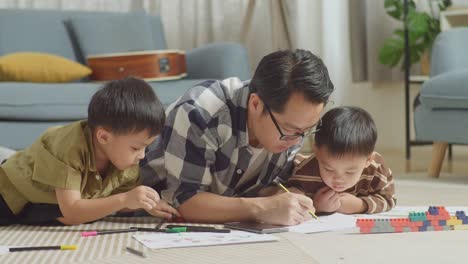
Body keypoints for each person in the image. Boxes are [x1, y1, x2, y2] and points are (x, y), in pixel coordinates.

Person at [140, 49, 334, 225]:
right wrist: (263, 208)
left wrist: (290, 197)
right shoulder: (201, 112)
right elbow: (186, 202)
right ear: (256, 104)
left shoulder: (290, 125)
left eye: (307, 130)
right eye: (290, 130)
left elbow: (266, 187)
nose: (298, 141)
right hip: (146, 210)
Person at [0, 77, 179, 226]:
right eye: (136, 148)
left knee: (81, 216)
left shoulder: (126, 161)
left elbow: (115, 202)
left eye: (146, 147)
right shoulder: (68, 147)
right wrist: (125, 199)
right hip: (9, 191)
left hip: (45, 203)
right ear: (103, 137)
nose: (142, 155)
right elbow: (72, 211)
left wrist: (142, 204)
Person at [288, 106, 396, 214]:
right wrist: (316, 206)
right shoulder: (304, 171)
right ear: (317, 152)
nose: (338, 179)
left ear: (368, 159)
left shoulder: (376, 169)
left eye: (350, 172)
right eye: (329, 169)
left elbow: (389, 199)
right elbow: (290, 199)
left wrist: (361, 205)